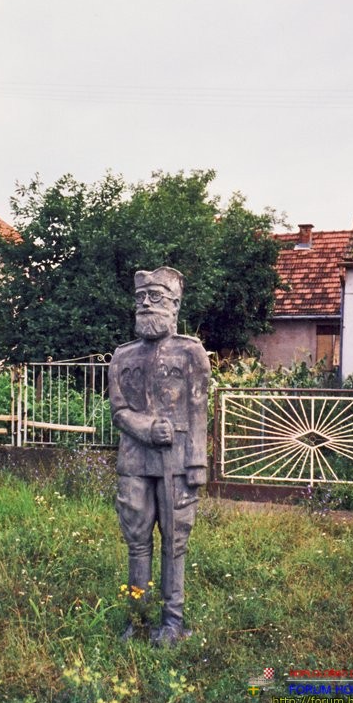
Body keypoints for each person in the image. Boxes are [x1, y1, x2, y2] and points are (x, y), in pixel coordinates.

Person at [108, 266, 211, 646]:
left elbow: (199, 410)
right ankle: (138, 618)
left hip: (177, 462)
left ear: (175, 305)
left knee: (175, 541)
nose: (146, 304)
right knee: (136, 540)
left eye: (156, 297)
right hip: (134, 461)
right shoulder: (123, 356)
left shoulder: (191, 352)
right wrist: (146, 427)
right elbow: (119, 410)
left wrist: (197, 465)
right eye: (141, 298)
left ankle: (172, 622)